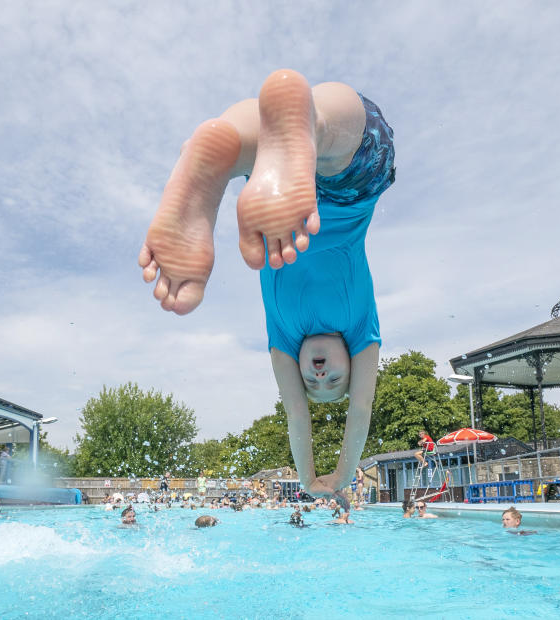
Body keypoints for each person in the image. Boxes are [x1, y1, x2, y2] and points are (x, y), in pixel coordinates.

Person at [138, 70, 394, 508]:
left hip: (284, 187)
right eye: (334, 378)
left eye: (314, 381)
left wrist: (308, 476)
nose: (319, 374)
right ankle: (307, 123)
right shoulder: (360, 331)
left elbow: (297, 414)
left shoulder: (284, 338)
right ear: (351, 362)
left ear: (295, 368)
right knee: (351, 133)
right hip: (348, 189)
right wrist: (341, 474)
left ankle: (219, 153)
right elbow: (361, 411)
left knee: (249, 138)